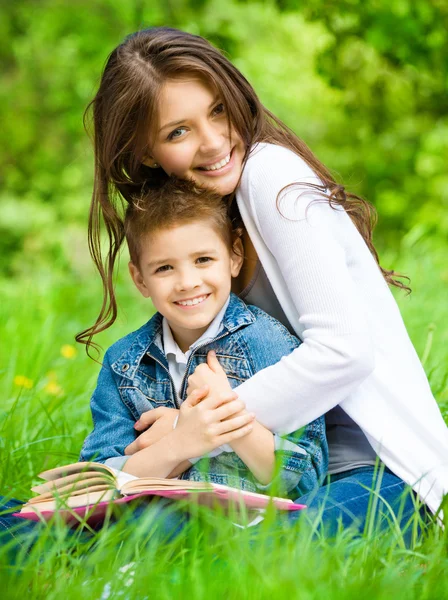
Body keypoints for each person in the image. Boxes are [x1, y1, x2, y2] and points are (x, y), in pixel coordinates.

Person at [74, 26, 447, 535]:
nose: (214, 142)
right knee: (163, 542)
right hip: (257, 473)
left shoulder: (270, 175)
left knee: (275, 555)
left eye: (218, 110)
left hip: (376, 465)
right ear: (144, 152)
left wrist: (192, 429)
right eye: (177, 132)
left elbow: (346, 351)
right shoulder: (197, 217)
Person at [80, 177, 327, 500]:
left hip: (232, 527)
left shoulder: (269, 344)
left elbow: (306, 481)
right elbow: (96, 484)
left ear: (234, 256)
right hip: (142, 514)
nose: (187, 282)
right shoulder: (123, 362)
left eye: (203, 260)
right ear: (140, 279)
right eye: (165, 268)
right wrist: (182, 440)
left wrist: (225, 416)